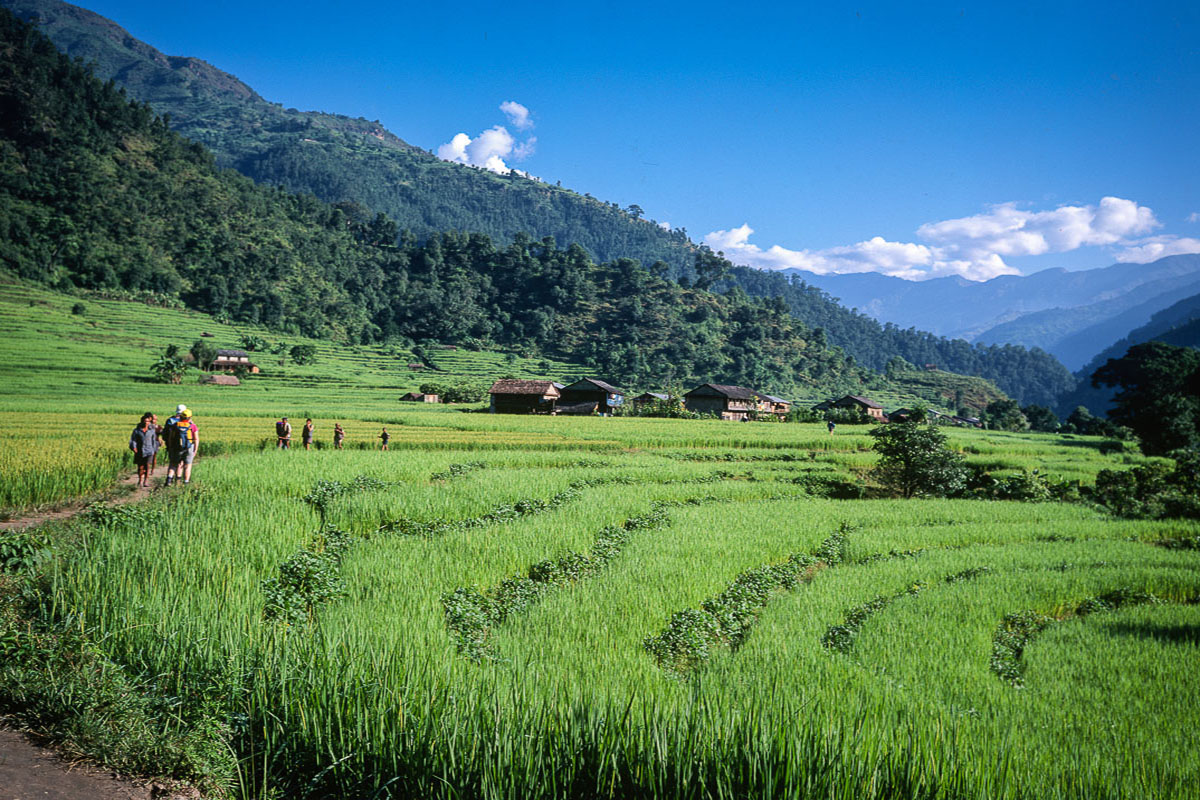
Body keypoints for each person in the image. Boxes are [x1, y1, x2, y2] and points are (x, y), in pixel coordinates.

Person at [163, 406, 199, 486]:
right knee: (187, 465)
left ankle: (169, 480)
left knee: (173, 464)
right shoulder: (192, 426)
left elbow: (170, 438)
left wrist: (170, 447)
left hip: (176, 447)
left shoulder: (175, 425)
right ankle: (186, 482)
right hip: (189, 447)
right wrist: (195, 450)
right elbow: (196, 439)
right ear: (190, 417)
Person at [129, 412, 159, 487]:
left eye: (148, 421)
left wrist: (154, 450)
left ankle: (146, 480)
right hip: (140, 450)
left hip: (149, 450)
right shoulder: (137, 430)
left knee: (147, 466)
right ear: (142, 421)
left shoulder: (151, 430)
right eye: (145, 421)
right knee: (140, 467)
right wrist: (134, 447)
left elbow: (153, 441)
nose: (146, 423)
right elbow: (133, 440)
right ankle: (140, 480)